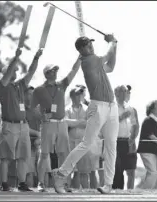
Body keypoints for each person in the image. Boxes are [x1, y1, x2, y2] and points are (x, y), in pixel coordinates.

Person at [52, 34, 119, 194]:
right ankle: (61, 175)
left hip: (112, 106)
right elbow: (107, 54)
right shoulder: (88, 61)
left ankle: (108, 184)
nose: (91, 47)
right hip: (98, 107)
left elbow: (111, 66)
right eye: (88, 45)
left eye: (91, 44)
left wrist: (115, 45)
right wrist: (112, 42)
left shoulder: (95, 62)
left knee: (111, 145)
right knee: (86, 143)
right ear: (81, 50)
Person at [31, 55, 82, 192]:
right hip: (48, 124)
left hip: (62, 123)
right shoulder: (39, 89)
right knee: (44, 154)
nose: (55, 72)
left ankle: (63, 184)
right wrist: (41, 116)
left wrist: (79, 57)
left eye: (56, 70)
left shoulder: (62, 84)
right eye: (52, 70)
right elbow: (31, 108)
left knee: (63, 154)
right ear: (47, 73)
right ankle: (41, 183)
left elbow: (73, 70)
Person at [0, 48, 43, 191]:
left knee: (23, 156)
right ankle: (4, 184)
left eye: (16, 71)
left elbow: (30, 72)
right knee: (6, 157)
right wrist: (15, 58)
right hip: (9, 125)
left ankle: (22, 183)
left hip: (23, 126)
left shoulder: (19, 85)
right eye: (13, 70)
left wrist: (36, 58)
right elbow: (10, 71)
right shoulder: (2, 85)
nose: (16, 73)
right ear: (7, 73)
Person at [65, 86, 101, 189]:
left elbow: (89, 123)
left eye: (80, 94)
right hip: (71, 142)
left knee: (86, 171)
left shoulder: (87, 108)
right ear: (72, 96)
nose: (78, 96)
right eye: (76, 94)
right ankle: (74, 192)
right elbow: (65, 122)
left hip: (84, 143)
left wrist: (74, 123)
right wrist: (81, 122)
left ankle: (87, 192)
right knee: (74, 170)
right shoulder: (66, 109)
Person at [112, 85, 139, 190]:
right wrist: (121, 117)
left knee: (127, 168)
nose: (125, 93)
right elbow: (109, 124)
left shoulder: (131, 109)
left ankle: (126, 193)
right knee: (117, 169)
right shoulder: (112, 107)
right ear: (116, 93)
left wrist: (132, 139)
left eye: (125, 91)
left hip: (127, 142)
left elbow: (135, 125)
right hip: (115, 141)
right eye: (122, 91)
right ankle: (116, 191)